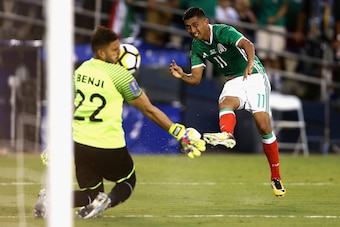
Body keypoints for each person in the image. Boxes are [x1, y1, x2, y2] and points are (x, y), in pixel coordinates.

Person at [33, 25, 206, 219]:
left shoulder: (81, 70)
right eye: (114, 50)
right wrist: (178, 132)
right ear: (101, 52)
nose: (119, 53)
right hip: (108, 144)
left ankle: (50, 199)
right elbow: (148, 109)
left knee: (90, 194)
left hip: (80, 143)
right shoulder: (121, 76)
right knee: (127, 181)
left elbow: (71, 108)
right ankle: (106, 201)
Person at [169, 7, 286, 197]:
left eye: (195, 25)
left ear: (205, 22)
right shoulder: (197, 46)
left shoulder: (223, 31)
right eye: (188, 27)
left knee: (263, 126)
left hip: (254, 75)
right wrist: (183, 75)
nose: (192, 30)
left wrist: (249, 63)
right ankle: (227, 135)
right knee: (225, 102)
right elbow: (196, 79)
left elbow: (247, 44)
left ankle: (275, 176)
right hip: (233, 80)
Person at [253, 0, 289, 91]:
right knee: (263, 54)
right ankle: (267, 78)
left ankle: (277, 79)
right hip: (263, 24)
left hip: (277, 25)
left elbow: (285, 6)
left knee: (275, 55)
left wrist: (275, 18)